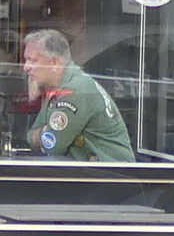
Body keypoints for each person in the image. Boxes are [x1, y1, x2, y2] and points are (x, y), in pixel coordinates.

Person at [19, 28, 132, 162]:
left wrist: (44, 132)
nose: (25, 67)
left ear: (54, 63)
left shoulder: (74, 91)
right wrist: (45, 131)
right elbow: (31, 137)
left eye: (32, 61)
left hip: (111, 176)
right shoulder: (57, 88)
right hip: (88, 173)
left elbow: (53, 147)